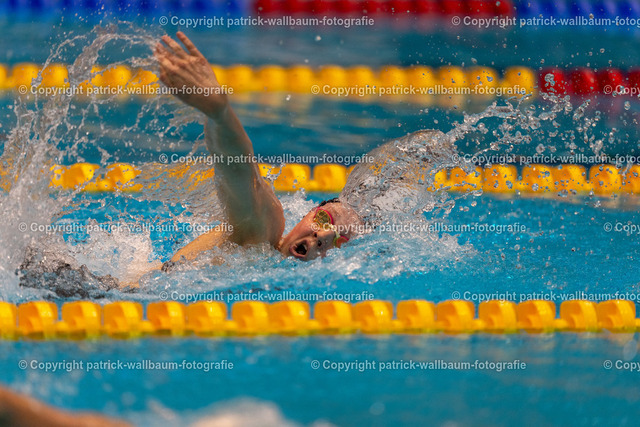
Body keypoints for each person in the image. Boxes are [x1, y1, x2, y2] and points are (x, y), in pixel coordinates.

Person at [154, 32, 366, 265]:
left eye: (340, 241)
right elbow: (241, 171)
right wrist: (220, 113)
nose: (322, 235)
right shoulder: (263, 233)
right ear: (310, 213)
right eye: (325, 220)